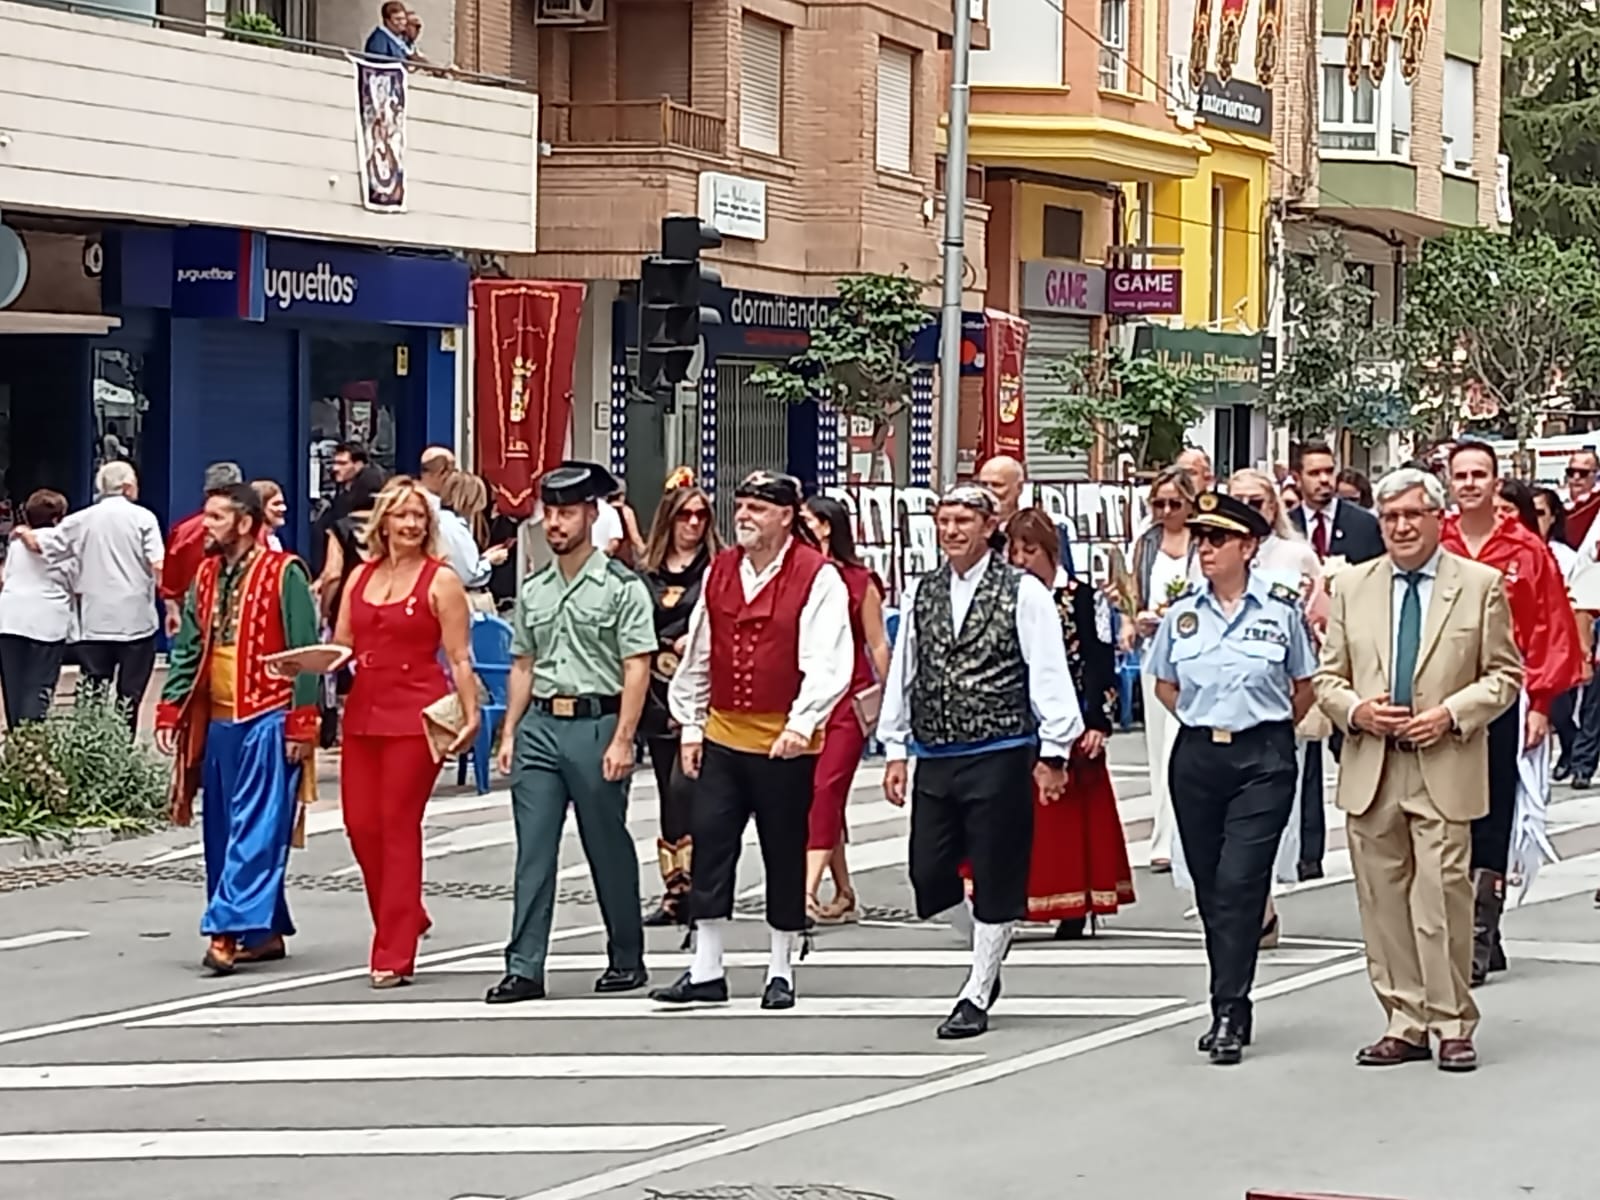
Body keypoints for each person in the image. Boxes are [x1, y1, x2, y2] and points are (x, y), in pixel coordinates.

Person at [1314, 467, 1522, 1072]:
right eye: (1390, 517)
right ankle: (1404, 1021)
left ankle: (1452, 1022)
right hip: (1373, 765)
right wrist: (1357, 711)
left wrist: (1452, 715)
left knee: (1442, 899)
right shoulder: (1353, 586)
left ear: (1437, 518)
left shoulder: (1478, 585)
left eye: (1412, 515)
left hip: (1443, 761)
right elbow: (1328, 678)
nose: (1401, 527)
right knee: (1382, 903)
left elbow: (1504, 675)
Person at [878, 484, 1081, 1039]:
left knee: (996, 870)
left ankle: (977, 986)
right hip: (937, 752)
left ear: (990, 527)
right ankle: (985, 949)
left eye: (963, 521)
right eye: (944, 521)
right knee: (928, 872)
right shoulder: (922, 590)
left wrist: (1055, 751)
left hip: (1000, 750)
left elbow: (1047, 670)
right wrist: (895, 746)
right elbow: (905, 668)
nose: (951, 531)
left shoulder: (1023, 591)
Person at [654, 471, 852, 1011]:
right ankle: (706, 968)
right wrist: (691, 726)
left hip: (783, 741)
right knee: (711, 842)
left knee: (783, 850)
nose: (744, 516)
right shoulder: (720, 570)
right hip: (723, 734)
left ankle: (781, 967)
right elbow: (699, 652)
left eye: (758, 508)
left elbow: (828, 661)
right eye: (741, 506)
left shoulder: (818, 576)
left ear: (786, 516)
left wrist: (801, 723)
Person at [1143, 491, 1316, 1065]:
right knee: (1211, 885)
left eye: (1218, 539)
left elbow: (1303, 685)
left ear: (1249, 547)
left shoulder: (1279, 609)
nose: (1206, 549)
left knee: (1242, 880)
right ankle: (1229, 996)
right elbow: (1165, 683)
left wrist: (1263, 728)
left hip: (1261, 756)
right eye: (1201, 539)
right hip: (1199, 756)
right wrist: (1206, 718)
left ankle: (1228, 1007)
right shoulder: (1183, 614)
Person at [488, 462, 656, 1004]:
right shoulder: (535, 588)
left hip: (596, 723)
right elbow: (523, 663)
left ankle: (626, 956)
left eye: (566, 514)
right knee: (533, 851)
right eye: (550, 514)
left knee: (606, 845)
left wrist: (624, 738)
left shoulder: (621, 587)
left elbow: (636, 665)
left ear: (591, 514)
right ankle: (524, 967)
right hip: (540, 724)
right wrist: (509, 732)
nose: (555, 524)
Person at [154, 485, 322, 975]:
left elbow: (305, 652)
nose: (204, 526)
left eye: (215, 518)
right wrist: (171, 707)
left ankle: (225, 931)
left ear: (245, 523)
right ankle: (263, 933)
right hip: (219, 720)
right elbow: (190, 647)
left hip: (268, 716)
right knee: (222, 831)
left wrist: (302, 722)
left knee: (254, 829)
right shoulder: (205, 575)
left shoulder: (285, 572)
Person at [1442, 442, 1584, 983]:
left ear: (1495, 482)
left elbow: (1550, 625)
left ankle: (1481, 933)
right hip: (1443, 699)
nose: (1470, 483)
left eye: (1479, 474)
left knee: (1495, 811)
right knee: (1447, 810)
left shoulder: (1527, 550)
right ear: (1450, 482)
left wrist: (1542, 704)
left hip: (1505, 698)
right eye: (1461, 475)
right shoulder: (1438, 543)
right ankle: (1461, 925)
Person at [335, 476, 479, 988]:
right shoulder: (360, 577)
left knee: (397, 825)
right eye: (403, 515)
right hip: (363, 712)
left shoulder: (441, 580)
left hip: (417, 715)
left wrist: (471, 715)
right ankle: (407, 910)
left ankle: (394, 951)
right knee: (360, 825)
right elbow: (342, 646)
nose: (412, 524)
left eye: (420, 516)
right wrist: (304, 665)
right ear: (384, 523)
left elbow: (460, 656)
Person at [996, 507, 1130, 938]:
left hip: (1069, 716)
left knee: (1067, 816)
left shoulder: (1084, 599)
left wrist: (1098, 722)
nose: (1020, 561)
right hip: (1015, 719)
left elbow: (1100, 663)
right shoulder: (1003, 597)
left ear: (1051, 551)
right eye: (1014, 552)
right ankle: (1015, 897)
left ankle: (1074, 901)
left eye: (1030, 551)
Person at [1229, 468, 1329, 890]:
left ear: (1273, 506)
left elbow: (1320, 620)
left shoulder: (1296, 554)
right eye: (1239, 502)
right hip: (1227, 688)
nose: (1248, 510)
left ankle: (1273, 875)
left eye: (1256, 502)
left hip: (1281, 683)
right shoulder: (1214, 552)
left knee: (1278, 785)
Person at [13, 462, 165, 731]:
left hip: (95, 621)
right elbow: (158, 564)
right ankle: (122, 744)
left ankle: (89, 744)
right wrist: (172, 603)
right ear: (127, 487)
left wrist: (24, 532)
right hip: (136, 620)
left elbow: (42, 545)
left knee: (92, 693)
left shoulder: (81, 519)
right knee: (129, 697)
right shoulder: (144, 518)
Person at [802, 493, 892, 925]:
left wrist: (892, 700)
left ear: (826, 526)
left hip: (848, 698)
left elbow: (878, 643)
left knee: (826, 787)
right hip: (805, 697)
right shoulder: (796, 575)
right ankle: (843, 890)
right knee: (817, 794)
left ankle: (805, 888)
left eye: (807, 521)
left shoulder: (859, 581)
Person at [638, 477, 720, 927]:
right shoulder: (646, 573)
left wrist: (698, 640)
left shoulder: (718, 570)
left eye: (700, 515)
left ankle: (702, 884)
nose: (693, 523)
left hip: (701, 695)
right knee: (668, 796)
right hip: (655, 692)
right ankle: (675, 890)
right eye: (685, 515)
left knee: (689, 788)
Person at [1124, 465, 1201, 873]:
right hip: (1155, 651)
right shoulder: (1147, 542)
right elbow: (1132, 592)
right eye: (1159, 504)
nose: (1167, 511)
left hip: (1195, 652)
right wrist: (1134, 619)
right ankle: (1163, 836)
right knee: (1159, 748)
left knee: (1182, 743)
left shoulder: (1202, 540)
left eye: (1174, 503)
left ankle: (1181, 836)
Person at [0, 490, 74, 727]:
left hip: (10, 620)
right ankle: (32, 737)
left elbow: (5, 578)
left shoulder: (17, 544)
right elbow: (76, 581)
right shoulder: (63, 543)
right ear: (57, 518)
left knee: (13, 687)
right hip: (47, 621)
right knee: (39, 684)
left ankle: (17, 735)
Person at [162, 462, 244, 639]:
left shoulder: (184, 532)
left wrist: (173, 612)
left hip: (193, 621)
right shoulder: (249, 530)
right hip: (237, 618)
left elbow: (170, 587)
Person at [252, 480, 287, 552]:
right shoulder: (251, 544)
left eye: (282, 503)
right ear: (260, 507)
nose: (284, 508)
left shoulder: (273, 540)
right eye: (276, 504)